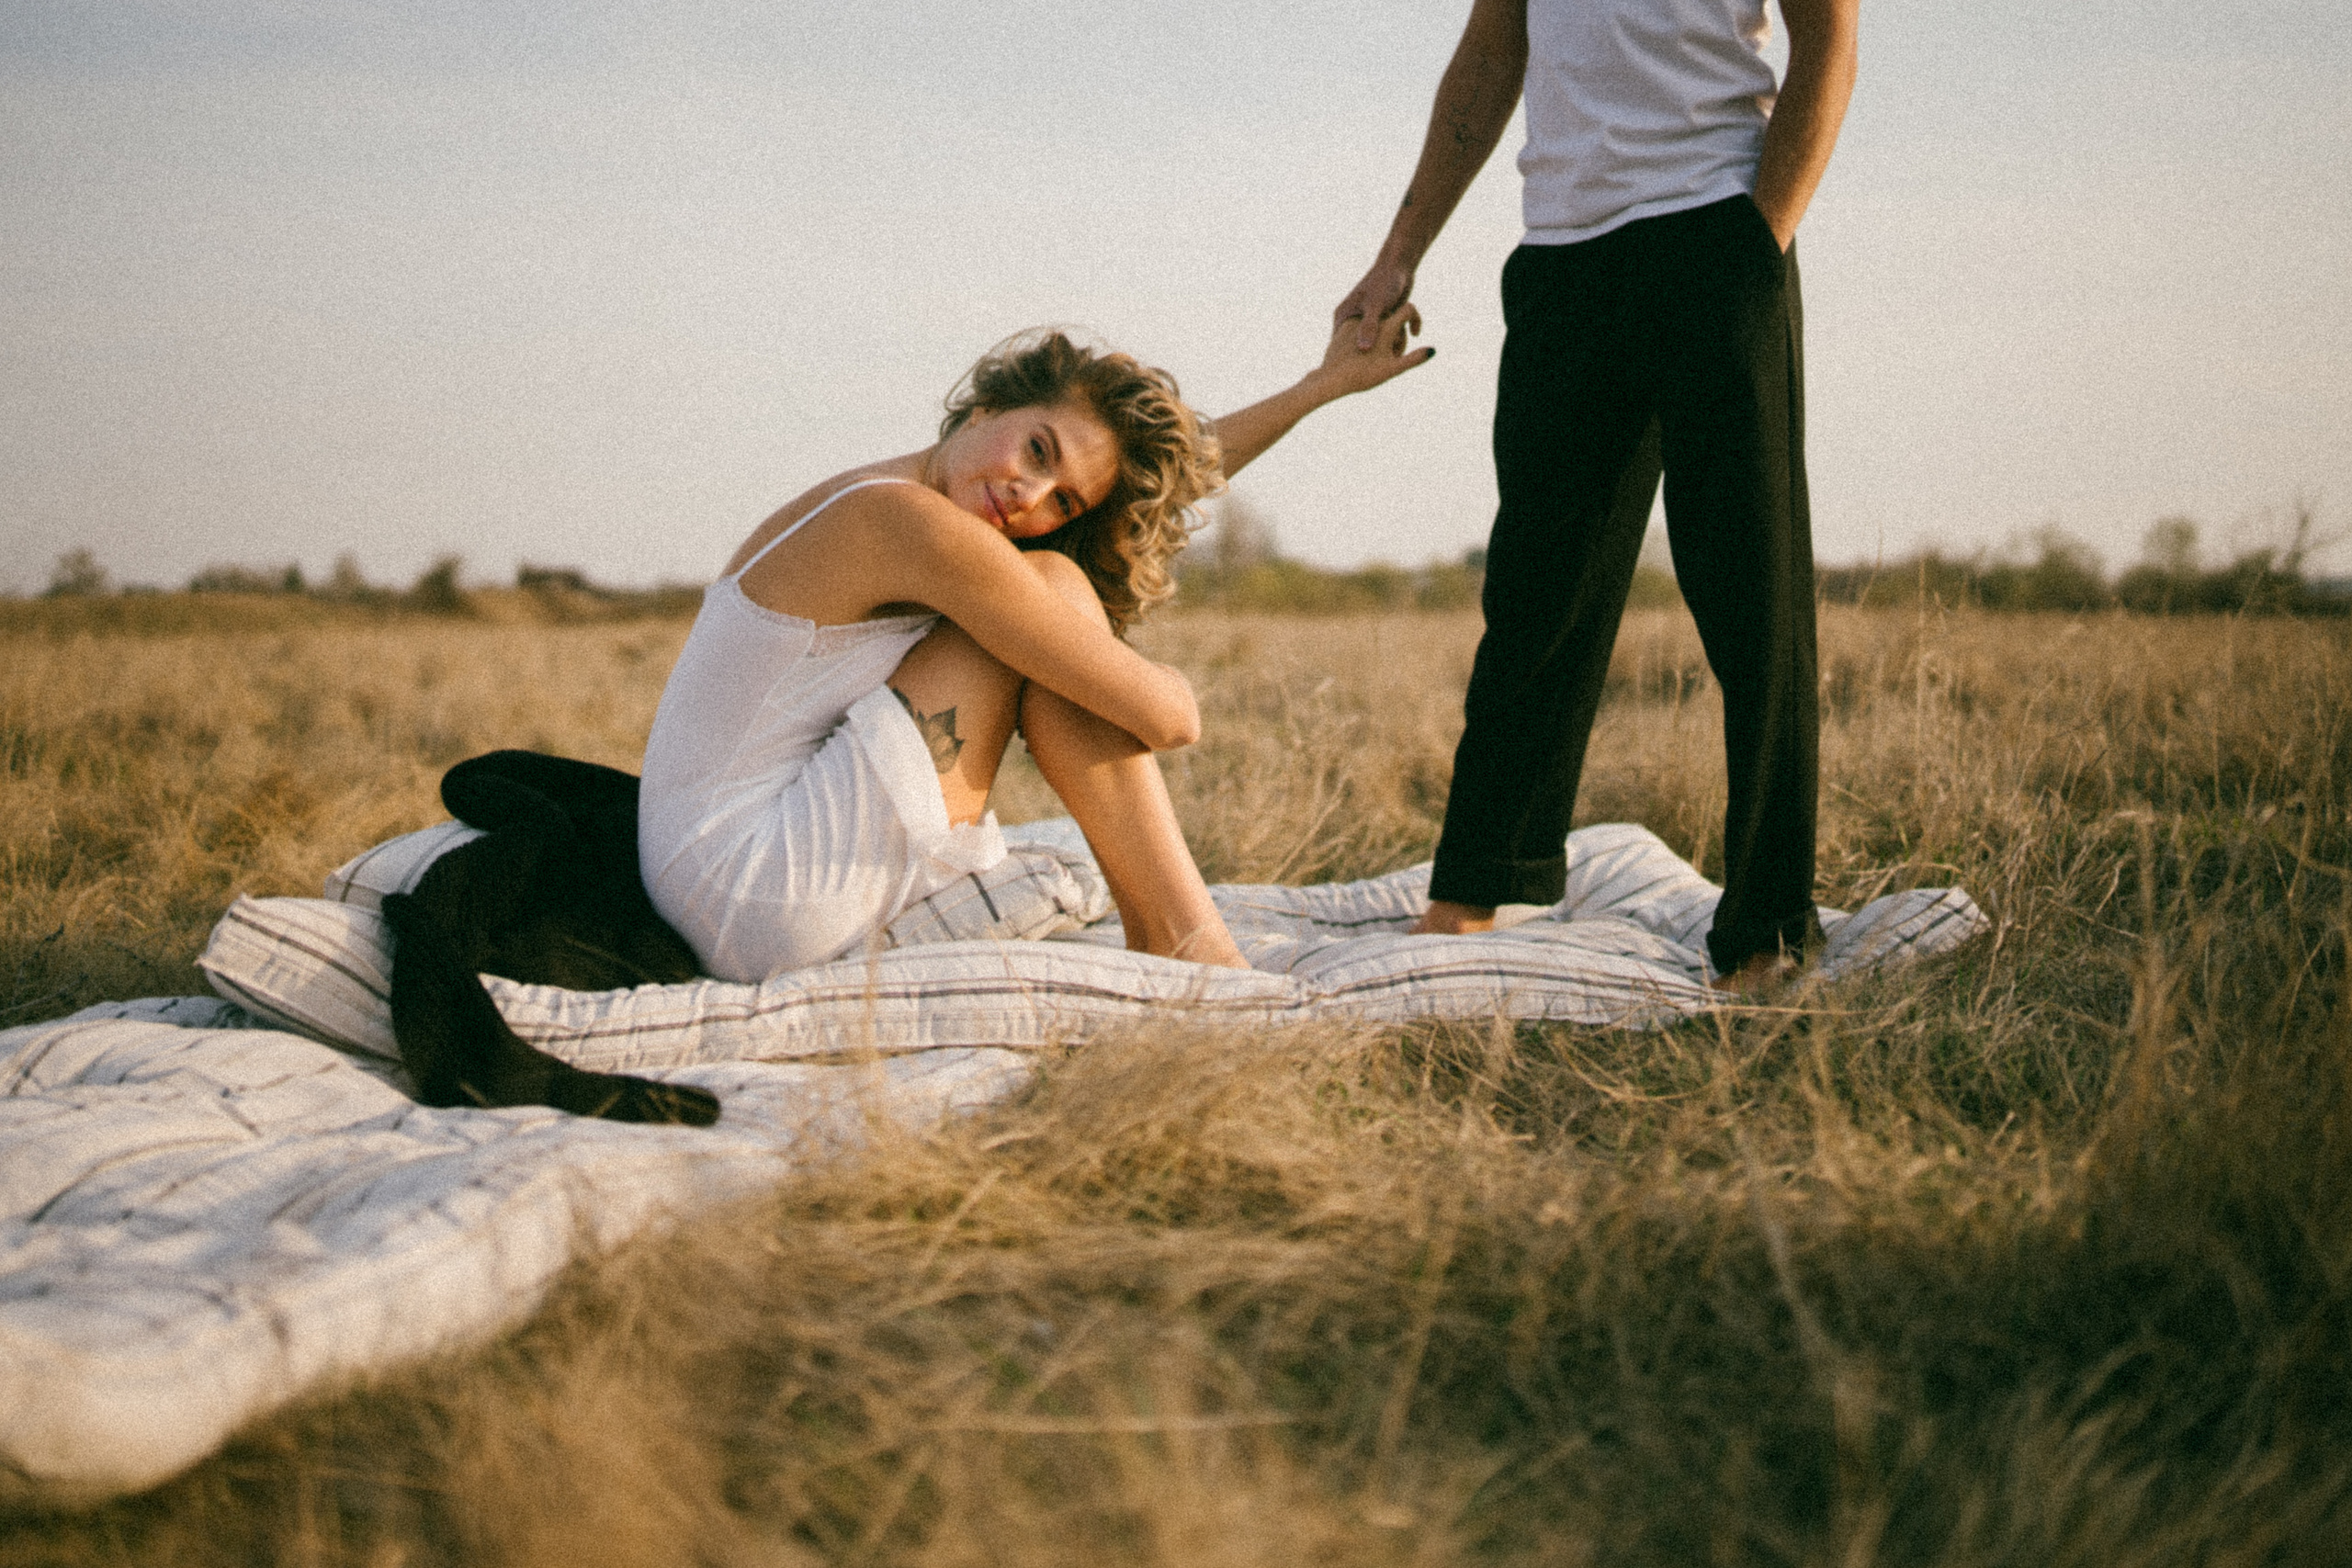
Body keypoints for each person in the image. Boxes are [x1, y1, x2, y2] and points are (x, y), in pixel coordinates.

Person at [638, 313, 1431, 982]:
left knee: (1046, 593)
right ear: (986, 405)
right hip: (753, 890)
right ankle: (1190, 945)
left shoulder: (900, 497)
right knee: (1051, 590)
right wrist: (1165, 682)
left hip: (717, 884)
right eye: (1038, 451)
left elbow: (1174, 476)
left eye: (1064, 500)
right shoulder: (900, 522)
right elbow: (1170, 719)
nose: (1029, 495)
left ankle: (1181, 938)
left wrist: (1315, 390)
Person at [1332, 0, 1860, 989]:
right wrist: (1399, 251)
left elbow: (1828, 31)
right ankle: (1474, 889)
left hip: (1715, 232)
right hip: (1562, 258)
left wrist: (1761, 238)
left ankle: (1767, 928)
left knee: (1751, 591)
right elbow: (1493, 50)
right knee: (1537, 590)